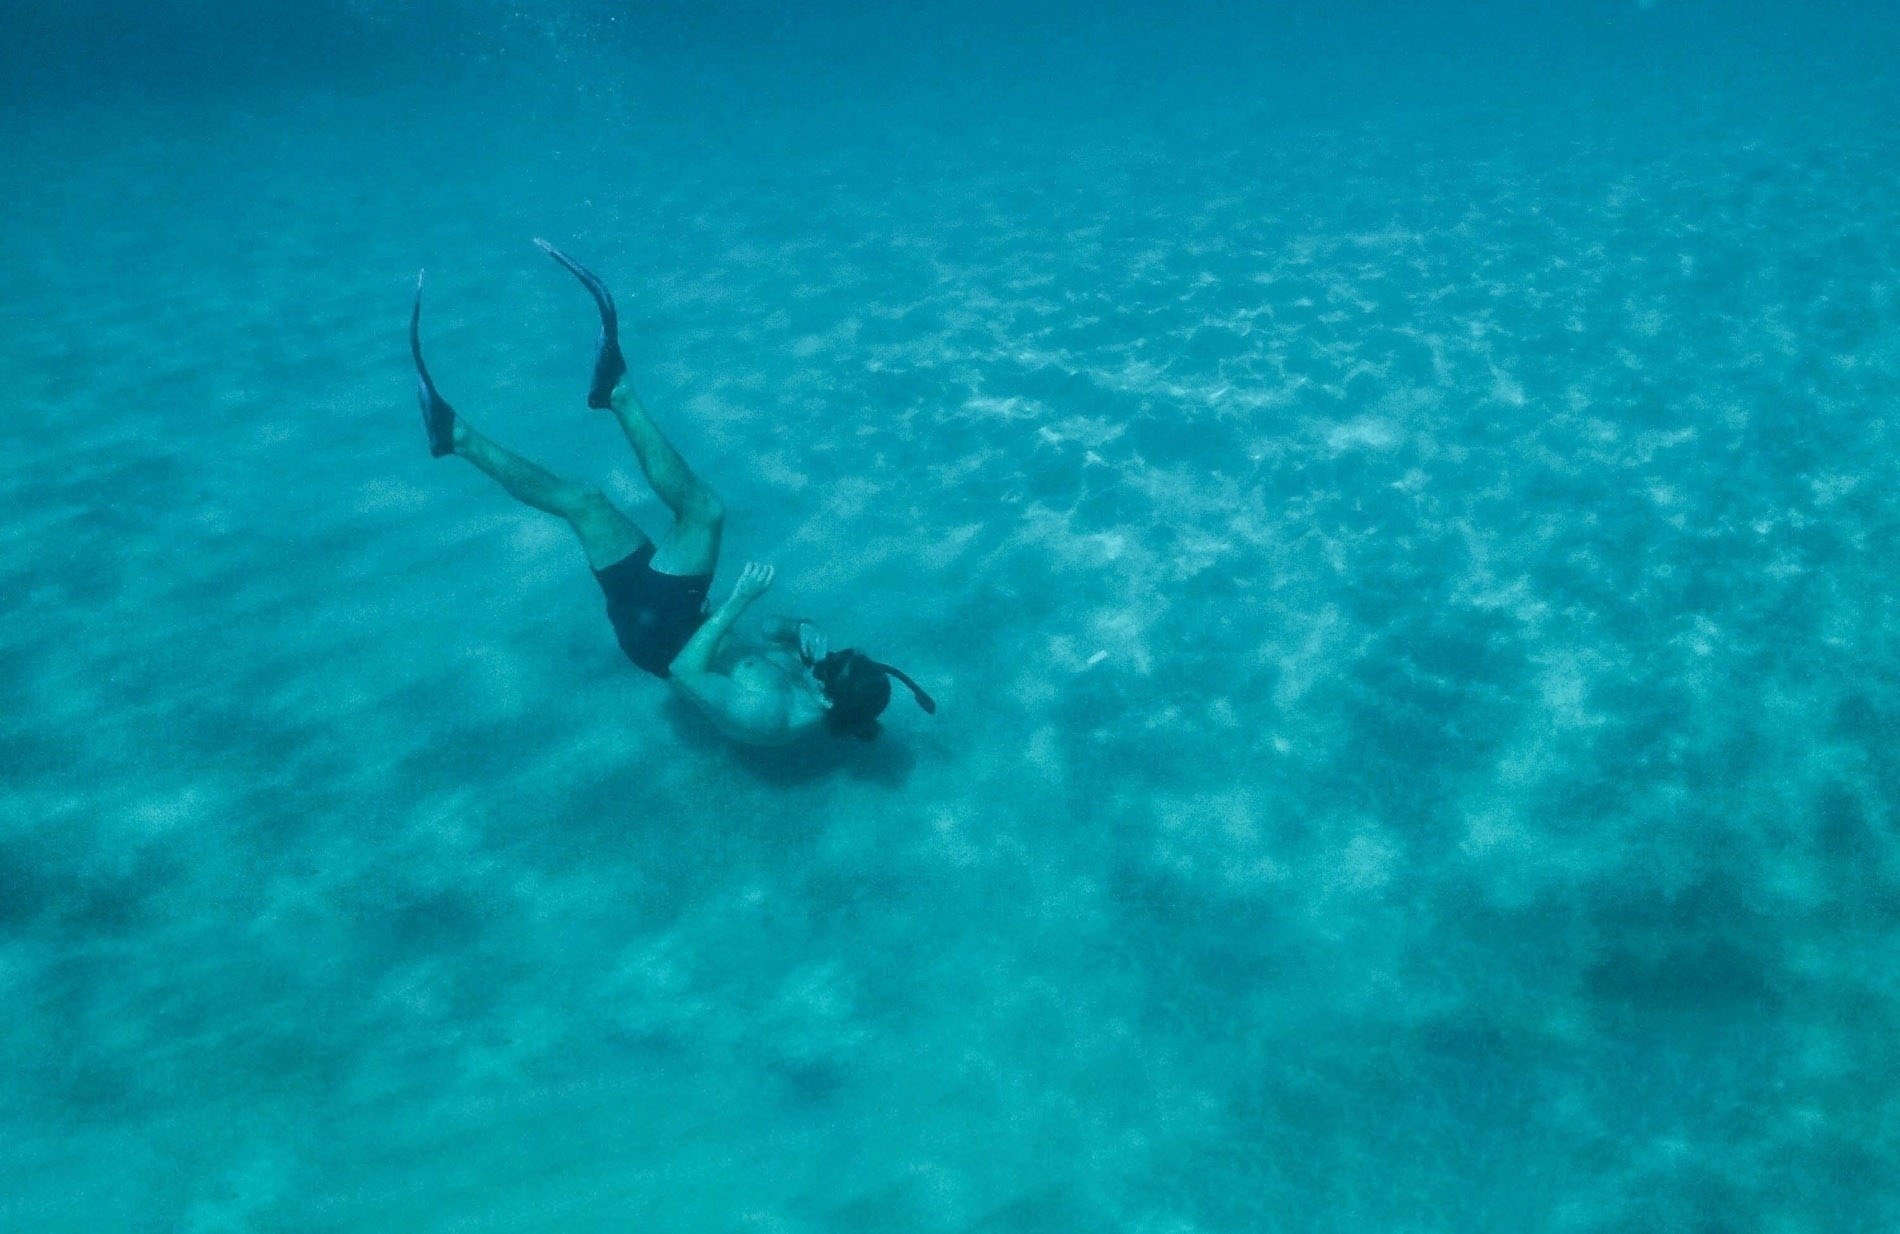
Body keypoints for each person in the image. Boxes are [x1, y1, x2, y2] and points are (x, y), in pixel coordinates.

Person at [409, 241, 935, 746]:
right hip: (672, 620)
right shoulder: (819, 683)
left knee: (703, 511)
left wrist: (736, 602)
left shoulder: (770, 717)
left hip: (664, 638)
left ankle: (617, 393)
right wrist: (801, 629)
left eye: (829, 667)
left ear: (826, 700)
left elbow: (686, 675)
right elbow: (765, 636)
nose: (826, 661)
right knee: (584, 500)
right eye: (838, 656)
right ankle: (453, 435)